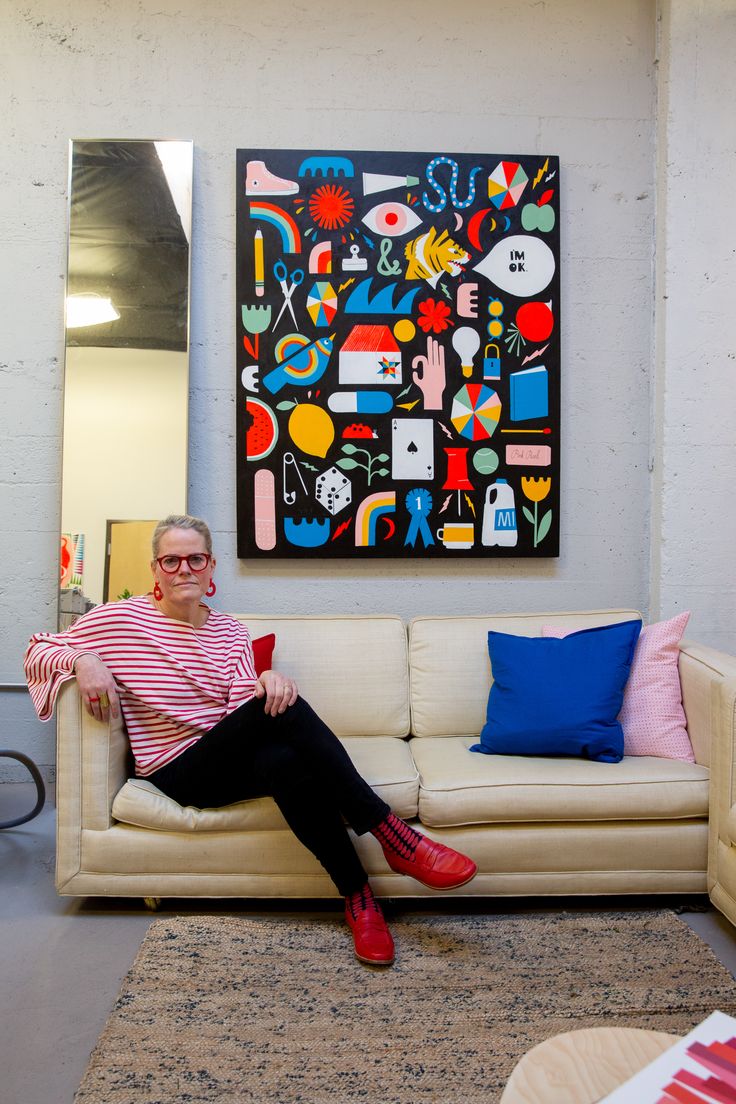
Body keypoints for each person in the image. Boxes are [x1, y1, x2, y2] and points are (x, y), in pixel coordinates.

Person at [25, 514, 476, 966]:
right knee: (283, 712)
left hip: (227, 760)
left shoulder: (230, 631)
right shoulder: (119, 620)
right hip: (177, 770)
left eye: (195, 558)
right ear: (156, 569)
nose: (184, 568)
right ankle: (392, 834)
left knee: (284, 755)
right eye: (172, 560)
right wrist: (84, 659)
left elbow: (241, 704)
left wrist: (267, 682)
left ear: (211, 566)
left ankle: (360, 899)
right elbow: (39, 647)